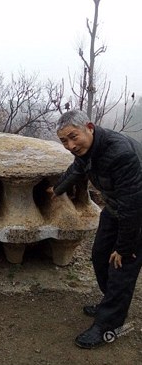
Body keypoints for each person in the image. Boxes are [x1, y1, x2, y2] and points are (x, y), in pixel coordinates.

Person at [48, 110, 142, 349]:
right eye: (64, 141)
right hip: (114, 208)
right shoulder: (87, 150)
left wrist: (124, 247)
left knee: (121, 266)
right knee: (100, 255)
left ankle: (108, 326)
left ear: (89, 127)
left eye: (73, 137)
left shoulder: (121, 153)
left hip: (136, 214)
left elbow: (133, 205)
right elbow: (77, 169)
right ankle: (109, 302)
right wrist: (57, 190)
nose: (70, 145)